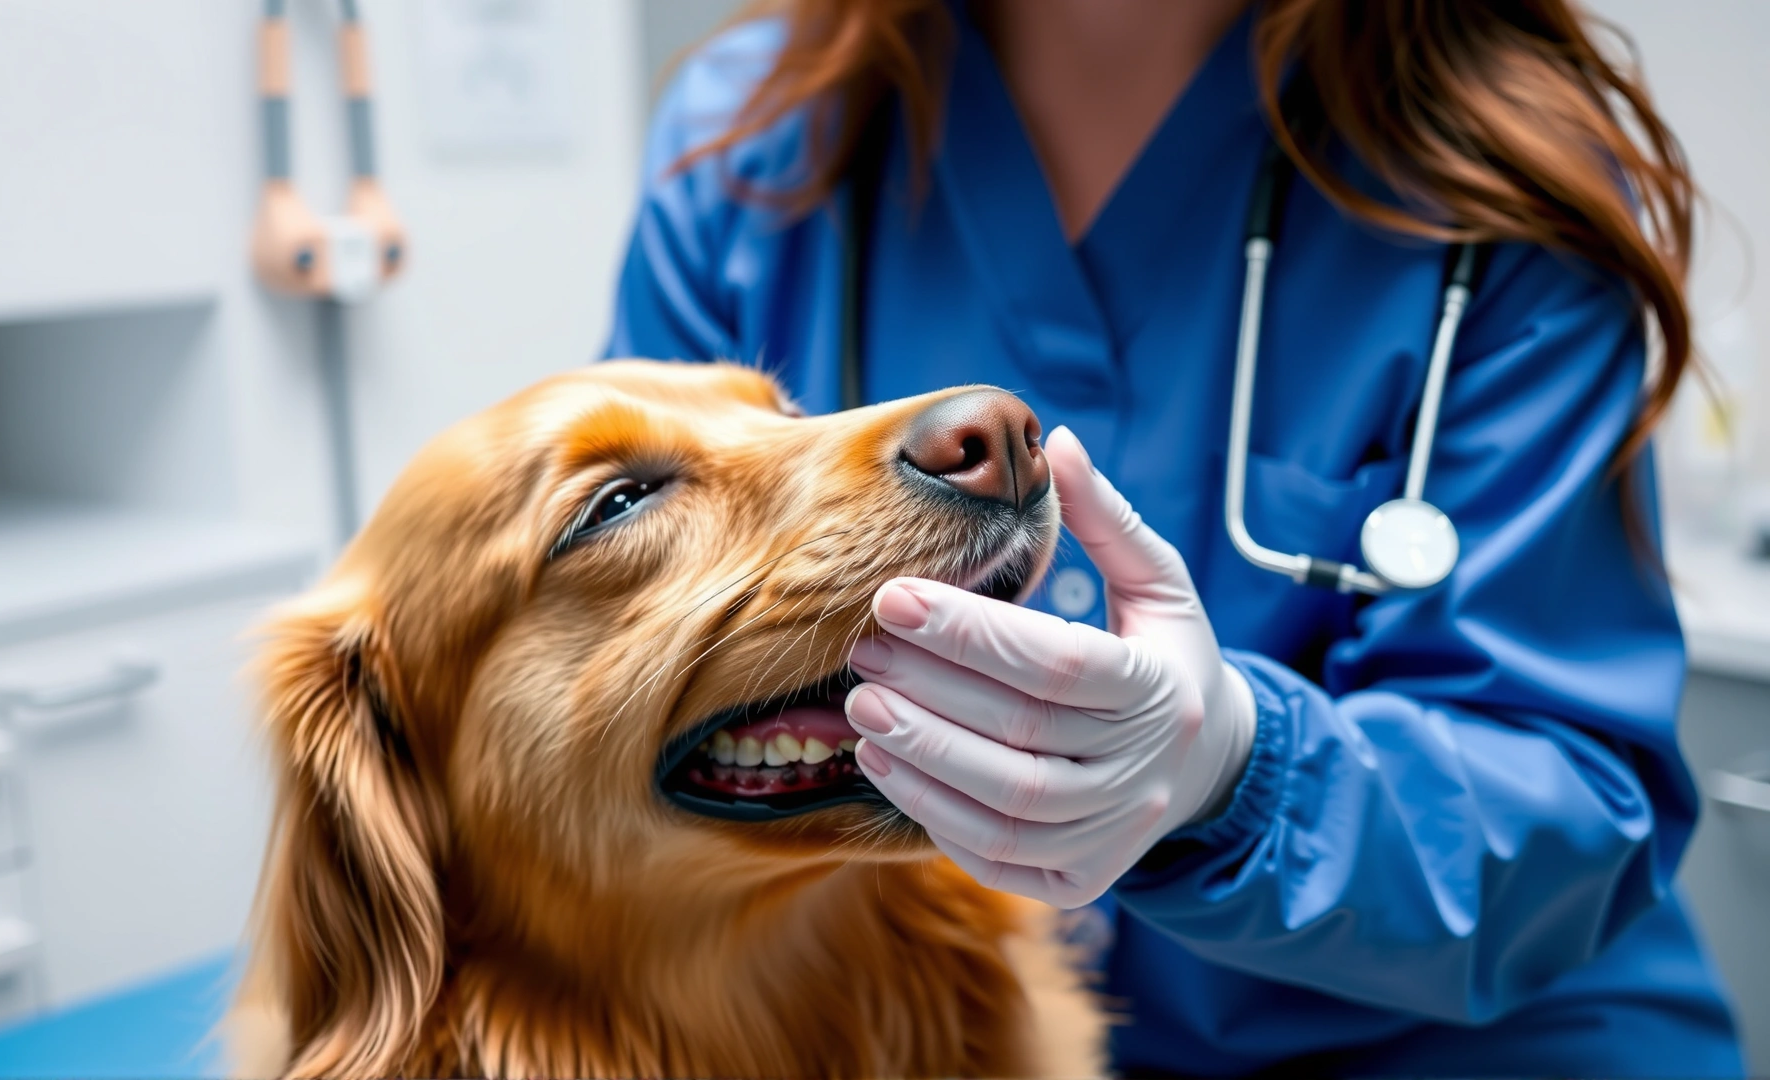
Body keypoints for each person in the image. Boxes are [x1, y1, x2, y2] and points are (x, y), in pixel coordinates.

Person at [603, 0, 1744, 1074]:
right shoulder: (752, 145)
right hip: (953, 1036)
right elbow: (633, 695)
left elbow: (1562, 806)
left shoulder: (1498, 173)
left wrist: (1234, 773)